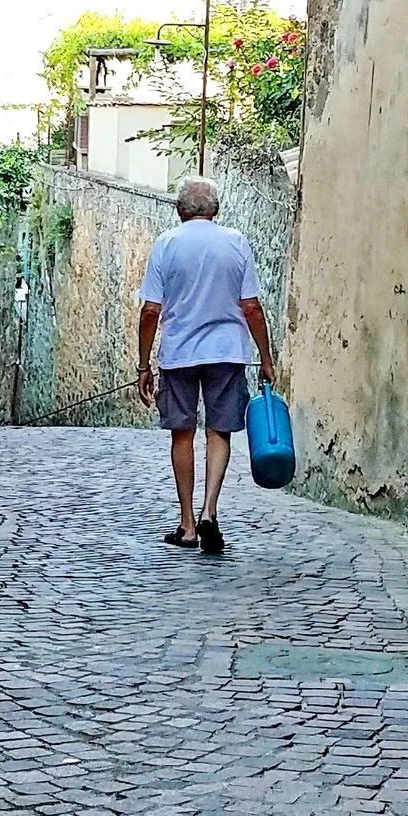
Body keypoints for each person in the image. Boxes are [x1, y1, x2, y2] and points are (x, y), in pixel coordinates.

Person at [135, 175, 275, 554]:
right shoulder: (236, 243)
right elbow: (251, 307)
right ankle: (210, 511)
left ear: (180, 209)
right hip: (228, 352)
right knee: (219, 431)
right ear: (215, 209)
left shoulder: (166, 245)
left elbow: (151, 310)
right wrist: (265, 357)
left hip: (179, 353)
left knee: (182, 433)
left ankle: (186, 526)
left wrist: (143, 365)